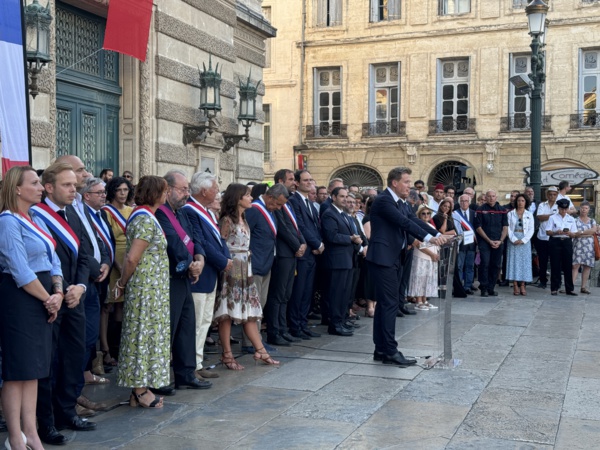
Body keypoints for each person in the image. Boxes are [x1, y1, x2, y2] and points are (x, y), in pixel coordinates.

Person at [0, 166, 63, 450]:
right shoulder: (7, 221)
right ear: (16, 188)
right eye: (35, 183)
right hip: (20, 298)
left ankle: (32, 432)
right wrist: (47, 298)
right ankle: (16, 437)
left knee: (35, 368)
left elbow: (54, 258)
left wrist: (58, 291)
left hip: (43, 295)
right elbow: (19, 268)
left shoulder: (35, 217)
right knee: (18, 369)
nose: (41, 187)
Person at [32, 162, 95, 445]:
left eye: (75, 184)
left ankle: (66, 411)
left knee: (73, 355)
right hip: (47, 300)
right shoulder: (35, 215)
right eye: (67, 185)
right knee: (48, 362)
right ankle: (44, 421)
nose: (75, 189)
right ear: (48, 187)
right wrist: (58, 290)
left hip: (74, 298)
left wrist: (80, 286)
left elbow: (84, 254)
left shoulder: (73, 212)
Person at [366, 167, 446, 366]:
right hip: (383, 259)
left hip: (393, 258)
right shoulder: (384, 200)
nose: (410, 186)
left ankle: (381, 349)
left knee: (387, 304)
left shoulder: (401, 203)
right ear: (395, 183)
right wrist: (430, 239)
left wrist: (436, 235)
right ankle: (389, 350)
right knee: (389, 304)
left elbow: (413, 220)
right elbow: (403, 222)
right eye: (407, 182)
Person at [114, 176, 170, 408]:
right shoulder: (144, 218)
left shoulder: (147, 216)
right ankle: (139, 390)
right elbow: (133, 257)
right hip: (145, 290)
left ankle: (141, 387)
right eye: (164, 191)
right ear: (155, 193)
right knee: (141, 337)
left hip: (153, 289)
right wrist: (122, 283)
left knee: (149, 337)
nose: (166, 195)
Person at [214, 184, 279, 370]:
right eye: (248, 195)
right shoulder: (227, 220)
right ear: (237, 198)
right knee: (227, 311)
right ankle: (227, 354)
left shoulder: (243, 218)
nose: (251, 198)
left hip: (246, 267)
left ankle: (260, 350)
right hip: (233, 267)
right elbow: (221, 244)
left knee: (250, 311)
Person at [155, 170, 210, 391]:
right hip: (171, 277)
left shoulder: (183, 213)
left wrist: (200, 259)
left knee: (187, 326)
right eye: (183, 189)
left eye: (188, 189)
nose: (187, 193)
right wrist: (190, 264)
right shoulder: (160, 213)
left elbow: (196, 237)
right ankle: (158, 377)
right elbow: (173, 243)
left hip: (186, 275)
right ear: (168, 190)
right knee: (169, 328)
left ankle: (186, 373)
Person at [183, 172, 231, 380]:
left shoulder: (206, 211)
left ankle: (198, 361)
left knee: (204, 321)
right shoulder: (190, 210)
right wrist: (222, 261)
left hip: (211, 273)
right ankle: (190, 365)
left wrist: (226, 258)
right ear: (204, 191)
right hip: (200, 275)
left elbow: (218, 241)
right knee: (195, 322)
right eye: (215, 188)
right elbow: (201, 242)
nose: (218, 192)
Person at [244, 183, 289, 352]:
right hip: (255, 264)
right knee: (252, 305)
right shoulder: (255, 210)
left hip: (266, 264)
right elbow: (246, 236)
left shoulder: (270, 210)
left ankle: (257, 341)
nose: (278, 208)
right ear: (270, 197)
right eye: (277, 203)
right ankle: (249, 343)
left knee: (260, 304)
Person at [264, 180, 306, 347]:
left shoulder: (287, 204)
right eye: (290, 181)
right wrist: (297, 246)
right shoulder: (277, 208)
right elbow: (283, 229)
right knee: (278, 294)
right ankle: (274, 331)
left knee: (286, 294)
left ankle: (283, 329)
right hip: (283, 254)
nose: (294, 184)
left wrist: (303, 243)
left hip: (293, 254)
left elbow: (296, 228)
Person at [101, 176, 134, 367]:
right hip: (113, 259)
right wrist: (118, 266)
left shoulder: (132, 211)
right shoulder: (106, 212)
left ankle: (120, 347)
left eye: (126, 190)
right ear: (112, 191)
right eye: (119, 190)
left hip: (129, 257)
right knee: (108, 305)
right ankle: (106, 349)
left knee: (122, 304)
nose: (123, 193)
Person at [287, 170, 324, 339]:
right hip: (303, 253)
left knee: (307, 291)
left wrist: (319, 244)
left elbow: (316, 226)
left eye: (311, 180)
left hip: (313, 254)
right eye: (305, 180)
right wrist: (316, 243)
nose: (309, 183)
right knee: (299, 291)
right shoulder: (294, 201)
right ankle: (295, 326)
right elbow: (300, 226)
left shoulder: (309, 202)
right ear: (297, 182)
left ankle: (303, 323)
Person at [322, 188, 363, 336]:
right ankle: (334, 324)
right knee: (336, 293)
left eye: (346, 196)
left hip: (348, 259)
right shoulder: (329, 214)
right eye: (342, 196)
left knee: (344, 293)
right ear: (333, 197)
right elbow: (332, 236)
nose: (345, 199)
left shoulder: (344, 214)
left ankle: (341, 320)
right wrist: (351, 239)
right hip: (336, 260)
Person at [474, 190, 508, 297]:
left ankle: (491, 288)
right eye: (489, 196)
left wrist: (501, 241)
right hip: (485, 242)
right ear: (486, 197)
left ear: (496, 197)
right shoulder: (480, 210)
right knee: (485, 264)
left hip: (498, 242)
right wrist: (489, 241)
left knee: (496, 265)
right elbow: (478, 227)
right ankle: (483, 288)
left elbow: (505, 227)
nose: (491, 198)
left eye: (493, 196)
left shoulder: (502, 210)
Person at [408, 205, 440, 310]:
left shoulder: (431, 226)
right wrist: (431, 254)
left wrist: (436, 253)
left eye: (428, 213)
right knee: (420, 279)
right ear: (419, 215)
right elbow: (418, 244)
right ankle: (419, 301)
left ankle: (425, 300)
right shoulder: (417, 226)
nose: (426, 215)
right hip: (421, 256)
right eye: (423, 213)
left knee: (428, 279)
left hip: (432, 256)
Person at [546, 198, 578, 296]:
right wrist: (556, 232)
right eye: (561, 209)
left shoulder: (571, 219)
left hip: (567, 241)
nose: (563, 211)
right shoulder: (552, 218)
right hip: (556, 241)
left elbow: (575, 234)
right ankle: (554, 288)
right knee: (555, 265)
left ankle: (569, 288)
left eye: (565, 209)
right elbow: (548, 231)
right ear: (558, 208)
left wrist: (569, 233)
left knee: (568, 265)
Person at [506, 194, 534, 296]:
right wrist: (513, 239)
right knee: (514, 262)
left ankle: (522, 284)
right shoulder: (510, 214)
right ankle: (515, 284)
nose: (520, 203)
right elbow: (507, 227)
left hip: (525, 241)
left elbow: (531, 229)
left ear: (525, 202)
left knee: (524, 263)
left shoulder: (529, 214)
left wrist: (523, 240)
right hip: (513, 239)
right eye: (518, 201)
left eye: (522, 201)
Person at [535, 187, 559, 289]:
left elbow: (560, 216)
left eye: (554, 194)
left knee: (555, 261)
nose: (552, 196)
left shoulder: (559, 205)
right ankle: (543, 281)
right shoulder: (542, 205)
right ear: (547, 195)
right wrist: (554, 215)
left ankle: (556, 282)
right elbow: (539, 217)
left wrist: (547, 216)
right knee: (543, 260)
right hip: (542, 236)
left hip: (554, 236)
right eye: (550, 194)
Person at [571, 201, 597, 294]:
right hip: (577, 245)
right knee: (575, 265)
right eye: (582, 208)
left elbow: (593, 230)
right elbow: (574, 232)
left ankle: (583, 287)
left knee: (587, 266)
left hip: (589, 246)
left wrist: (581, 233)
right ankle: (571, 286)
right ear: (579, 209)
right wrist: (587, 233)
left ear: (589, 210)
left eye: (586, 208)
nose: (584, 210)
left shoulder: (592, 221)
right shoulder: (575, 220)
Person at [454, 194, 477, 294]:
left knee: (469, 266)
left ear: (469, 202)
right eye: (462, 201)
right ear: (459, 202)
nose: (464, 203)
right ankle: (459, 287)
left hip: (471, 244)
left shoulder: (474, 213)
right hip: (460, 243)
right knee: (459, 266)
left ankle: (467, 286)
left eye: (466, 201)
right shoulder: (455, 214)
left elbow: (476, 228)